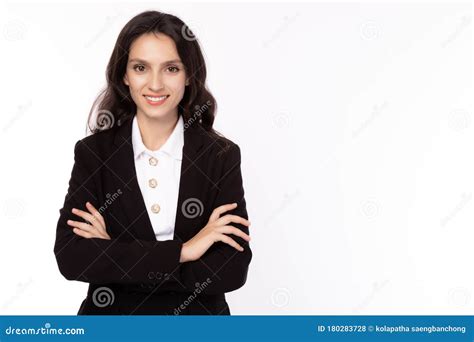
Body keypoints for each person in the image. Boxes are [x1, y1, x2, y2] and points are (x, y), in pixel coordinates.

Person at [53, 10, 252, 315]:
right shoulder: (94, 153)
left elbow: (232, 267)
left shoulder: (220, 155)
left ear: (189, 75)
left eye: (171, 68)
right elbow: (72, 256)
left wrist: (114, 255)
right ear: (124, 74)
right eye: (141, 67)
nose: (156, 84)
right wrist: (185, 251)